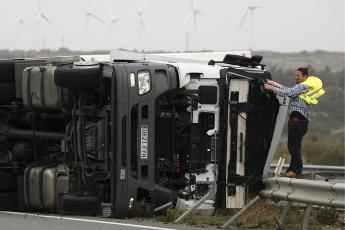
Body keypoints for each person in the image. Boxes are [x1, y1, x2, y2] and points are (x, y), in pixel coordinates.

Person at [263, 67, 324, 177]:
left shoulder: (304, 86)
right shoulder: (302, 88)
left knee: (294, 147)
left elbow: (288, 92)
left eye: (298, 75)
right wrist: (274, 84)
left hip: (298, 122)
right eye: (295, 75)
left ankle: (295, 171)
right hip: (297, 122)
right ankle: (292, 170)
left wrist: (271, 88)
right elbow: (288, 90)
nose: (295, 77)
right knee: (294, 147)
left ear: (305, 77)